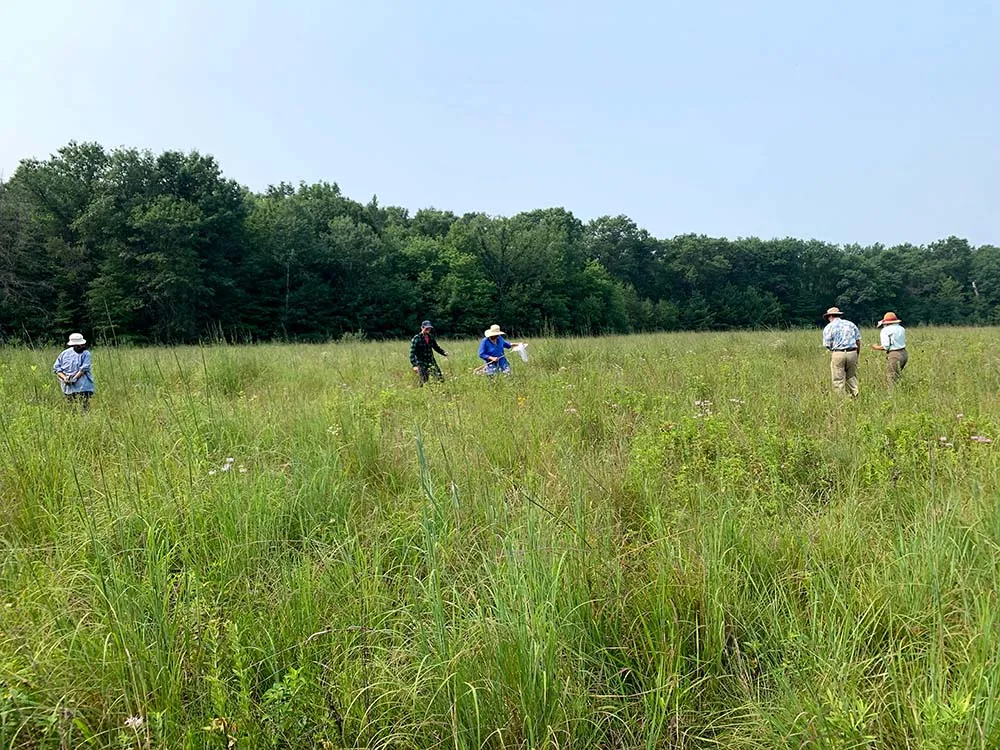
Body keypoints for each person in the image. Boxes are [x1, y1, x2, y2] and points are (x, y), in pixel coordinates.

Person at [821, 307, 861, 397]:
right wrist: (857, 353)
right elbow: (858, 341)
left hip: (838, 353)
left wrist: (834, 350)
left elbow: (827, 344)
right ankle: (855, 394)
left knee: (838, 379)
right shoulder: (851, 324)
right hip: (852, 352)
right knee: (851, 376)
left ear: (830, 316)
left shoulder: (829, 327)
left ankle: (842, 399)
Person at [53, 332, 94, 410]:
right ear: (74, 345)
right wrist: (65, 378)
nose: (83, 346)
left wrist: (74, 379)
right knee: (71, 408)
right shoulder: (64, 354)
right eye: (81, 345)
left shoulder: (86, 354)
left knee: (84, 407)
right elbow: (57, 369)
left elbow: (83, 369)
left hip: (83, 387)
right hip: (68, 388)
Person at [871, 311, 907, 387]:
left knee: (891, 377)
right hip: (904, 353)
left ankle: (892, 395)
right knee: (898, 375)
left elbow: (886, 346)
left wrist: (875, 347)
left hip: (894, 354)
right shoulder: (901, 328)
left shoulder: (885, 330)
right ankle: (899, 389)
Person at [409, 320, 448, 385]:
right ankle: (419, 391)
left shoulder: (431, 337)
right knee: (424, 380)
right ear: (422, 328)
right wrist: (414, 365)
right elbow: (412, 353)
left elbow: (436, 347)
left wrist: (444, 353)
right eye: (426, 328)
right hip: (421, 362)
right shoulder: (416, 338)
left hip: (431, 361)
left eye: (429, 328)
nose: (428, 330)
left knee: (440, 378)